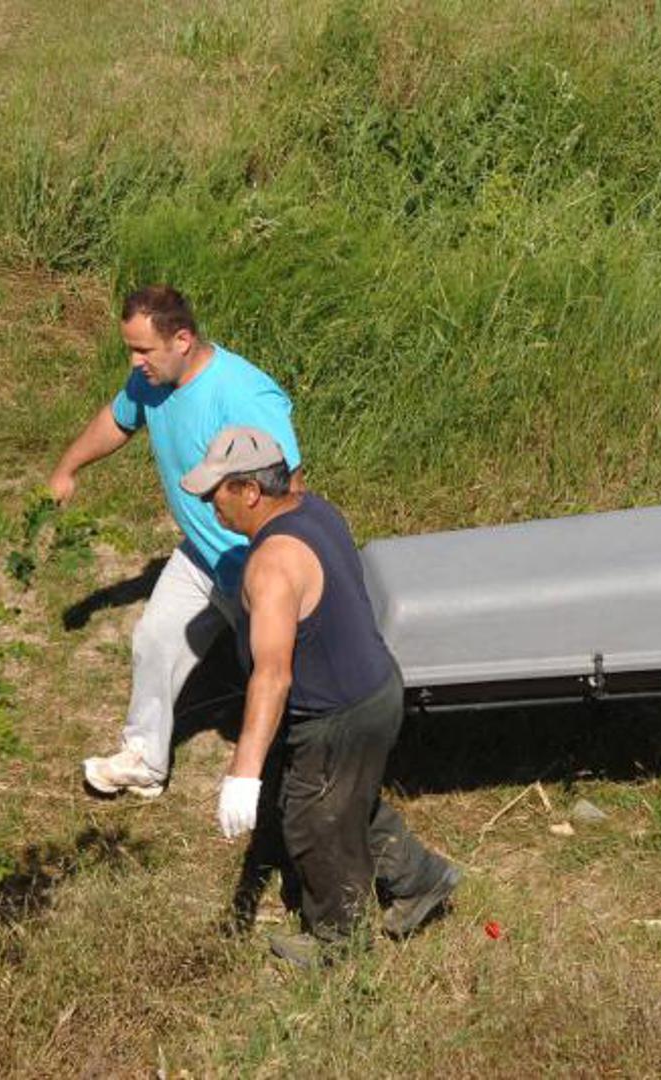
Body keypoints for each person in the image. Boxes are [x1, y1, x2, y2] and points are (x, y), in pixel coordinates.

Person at [181, 426, 461, 966]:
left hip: (337, 714)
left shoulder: (271, 566)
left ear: (250, 491)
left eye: (216, 492)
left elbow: (272, 676)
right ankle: (423, 880)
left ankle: (339, 942)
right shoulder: (314, 509)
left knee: (312, 821)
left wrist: (244, 774)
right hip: (376, 685)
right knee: (346, 801)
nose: (209, 504)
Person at [48, 285, 301, 797]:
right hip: (202, 554)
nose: (134, 362)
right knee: (156, 639)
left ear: (182, 339)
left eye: (143, 350)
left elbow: (290, 487)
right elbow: (119, 419)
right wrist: (67, 468)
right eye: (130, 349)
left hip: (254, 563)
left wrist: (278, 571)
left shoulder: (242, 395)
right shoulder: (154, 379)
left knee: (279, 674)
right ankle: (144, 760)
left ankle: (297, 775)